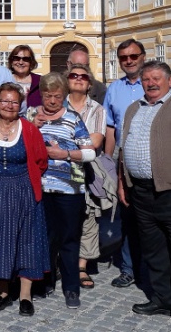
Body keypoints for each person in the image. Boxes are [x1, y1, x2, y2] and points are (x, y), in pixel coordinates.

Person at [0, 83, 49, 316]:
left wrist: (23, 181)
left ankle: (25, 295)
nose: (9, 105)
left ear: (20, 105)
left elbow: (41, 161)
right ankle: (3, 291)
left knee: (26, 240)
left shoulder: (29, 129)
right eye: (4, 101)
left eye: (14, 102)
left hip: (23, 189)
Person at [29, 72, 94, 309]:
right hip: (40, 189)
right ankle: (43, 282)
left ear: (64, 95)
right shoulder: (31, 116)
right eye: (48, 96)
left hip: (69, 190)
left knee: (68, 240)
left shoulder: (73, 118)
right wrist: (30, 127)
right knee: (44, 239)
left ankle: (71, 288)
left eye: (57, 96)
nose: (52, 101)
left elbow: (90, 153)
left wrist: (64, 154)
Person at [119, 61, 171, 316]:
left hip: (168, 189)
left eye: (156, 78)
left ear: (169, 81)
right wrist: (122, 182)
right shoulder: (133, 108)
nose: (151, 83)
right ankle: (163, 298)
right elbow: (122, 149)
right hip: (140, 189)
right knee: (154, 247)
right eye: (146, 79)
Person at [103, 38, 146, 289]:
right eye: (123, 58)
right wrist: (108, 163)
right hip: (122, 156)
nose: (129, 61)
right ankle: (129, 268)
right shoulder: (114, 88)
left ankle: (152, 267)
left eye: (133, 56)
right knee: (127, 215)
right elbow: (110, 128)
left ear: (142, 56)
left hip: (148, 155)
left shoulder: (153, 83)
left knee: (151, 216)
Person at [65, 64, 106, 290]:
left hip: (88, 171)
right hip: (59, 172)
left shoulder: (97, 109)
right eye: (74, 75)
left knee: (89, 217)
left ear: (89, 83)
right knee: (61, 218)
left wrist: (65, 144)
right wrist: (82, 142)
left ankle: (82, 266)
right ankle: (60, 262)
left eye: (83, 77)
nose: (78, 79)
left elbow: (96, 143)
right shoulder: (57, 105)